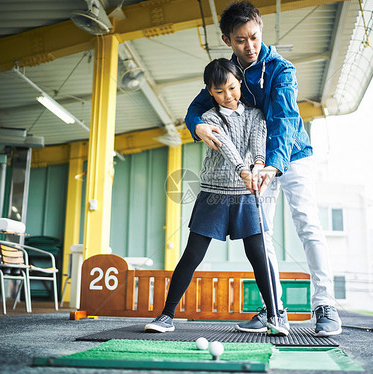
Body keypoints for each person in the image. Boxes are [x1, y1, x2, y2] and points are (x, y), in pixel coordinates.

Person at [184, 1, 341, 336]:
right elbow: (197, 106)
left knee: (308, 225)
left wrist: (272, 165)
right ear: (228, 40)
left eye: (254, 37)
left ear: (261, 30)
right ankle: (275, 310)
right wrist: (196, 125)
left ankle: (325, 305)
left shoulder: (282, 69)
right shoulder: (230, 72)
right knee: (262, 234)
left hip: (291, 156)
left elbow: (284, 121)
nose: (249, 46)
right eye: (241, 40)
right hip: (254, 164)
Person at [145, 58, 289, 336]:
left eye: (233, 88)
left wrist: (258, 166)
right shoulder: (209, 118)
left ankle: (275, 317)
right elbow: (228, 147)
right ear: (210, 91)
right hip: (214, 194)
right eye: (220, 91)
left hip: (245, 196)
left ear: (239, 84)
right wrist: (243, 172)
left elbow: (257, 144)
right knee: (192, 255)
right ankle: (166, 315)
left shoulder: (256, 114)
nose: (228, 96)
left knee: (259, 255)